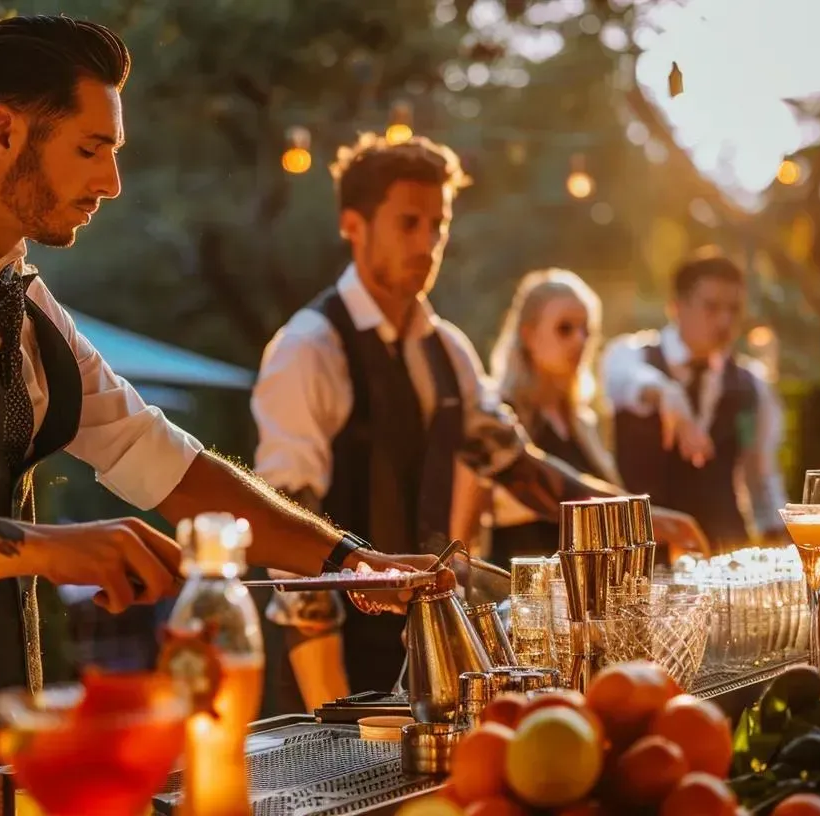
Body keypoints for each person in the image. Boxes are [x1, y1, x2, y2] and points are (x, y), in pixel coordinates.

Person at [0, 16, 437, 781]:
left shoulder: (28, 307)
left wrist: (349, 561)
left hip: (5, 758)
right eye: (91, 149)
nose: (111, 183)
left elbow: (169, 464)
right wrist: (50, 548)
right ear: (1, 130)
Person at [251, 135, 708, 711]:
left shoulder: (449, 349)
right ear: (353, 226)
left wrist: (630, 514)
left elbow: (517, 467)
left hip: (432, 659)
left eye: (437, 226)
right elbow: (291, 529)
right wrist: (329, 710)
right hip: (332, 671)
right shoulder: (309, 348)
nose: (427, 243)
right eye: (408, 223)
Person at [602, 248, 788, 552]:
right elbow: (625, 380)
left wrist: (779, 534)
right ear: (676, 307)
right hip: (642, 549)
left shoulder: (752, 384)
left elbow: (762, 474)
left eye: (734, 309)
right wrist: (668, 394)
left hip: (724, 550)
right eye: (711, 307)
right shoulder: (630, 355)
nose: (724, 320)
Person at [485, 269, 625, 564]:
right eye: (565, 328)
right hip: (522, 595)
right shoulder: (500, 413)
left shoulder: (581, 421)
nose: (580, 340)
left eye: (587, 330)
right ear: (528, 334)